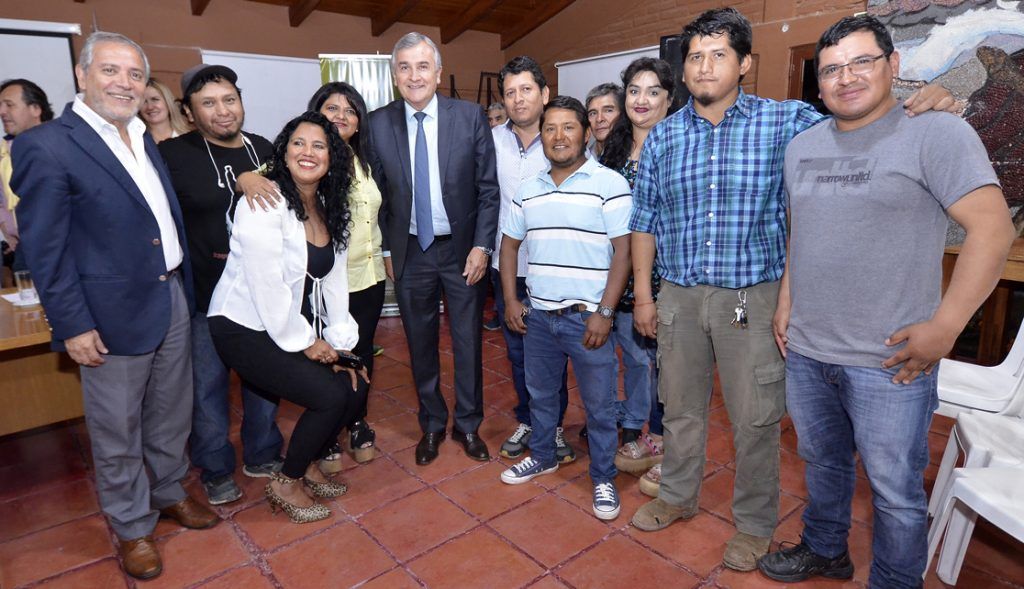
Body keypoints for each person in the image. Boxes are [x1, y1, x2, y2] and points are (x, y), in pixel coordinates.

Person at [628, 7, 958, 573]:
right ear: (683, 70)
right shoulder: (663, 137)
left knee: (754, 418)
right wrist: (643, 294)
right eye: (695, 56)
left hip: (749, 299)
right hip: (678, 296)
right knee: (679, 408)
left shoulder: (786, 121)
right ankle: (677, 495)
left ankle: (755, 525)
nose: (704, 66)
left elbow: (859, 110)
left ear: (744, 63)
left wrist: (930, 98)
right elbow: (645, 220)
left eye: (718, 54)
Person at [757, 16, 1014, 587]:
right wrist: (786, 301)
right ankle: (826, 548)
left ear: (893, 66)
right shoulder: (801, 147)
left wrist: (946, 327)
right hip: (808, 349)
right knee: (822, 463)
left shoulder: (936, 133)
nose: (846, 77)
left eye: (861, 62)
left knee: (895, 490)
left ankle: (896, 581)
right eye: (831, 69)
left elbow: (993, 230)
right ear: (819, 83)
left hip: (890, 359)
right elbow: (803, 232)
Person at [11, 32, 218, 580]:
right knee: (116, 428)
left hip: (170, 295)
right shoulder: (46, 146)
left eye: (135, 74)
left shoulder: (143, 138)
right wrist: (73, 324)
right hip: (107, 313)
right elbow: (46, 248)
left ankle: (169, 491)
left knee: (172, 410)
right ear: (82, 75)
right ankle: (131, 525)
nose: (124, 83)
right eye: (110, 70)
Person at [207, 111, 369, 525]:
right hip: (242, 325)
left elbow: (334, 282)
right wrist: (309, 343)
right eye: (298, 143)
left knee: (353, 382)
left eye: (319, 146)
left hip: (282, 323)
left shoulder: (328, 205)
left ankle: (307, 462)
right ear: (284, 151)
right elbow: (266, 285)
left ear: (332, 157)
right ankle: (286, 481)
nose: (307, 152)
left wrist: (342, 346)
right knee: (329, 395)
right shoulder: (265, 201)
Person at [366, 32, 499, 466]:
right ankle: (432, 424)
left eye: (423, 66)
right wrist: (387, 250)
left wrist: (482, 246)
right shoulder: (377, 123)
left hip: (463, 252)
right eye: (404, 67)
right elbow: (376, 195)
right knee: (419, 343)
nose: (414, 75)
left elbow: (488, 190)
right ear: (394, 75)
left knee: (468, 342)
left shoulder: (470, 116)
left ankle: (468, 425)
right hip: (410, 252)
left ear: (438, 73)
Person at [498, 95, 631, 520]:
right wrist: (511, 300)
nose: (559, 136)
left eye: (569, 127)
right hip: (539, 318)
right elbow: (509, 246)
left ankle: (604, 476)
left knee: (600, 406)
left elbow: (624, 252)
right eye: (550, 128)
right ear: (541, 137)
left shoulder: (609, 184)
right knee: (540, 396)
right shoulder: (528, 190)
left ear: (586, 134)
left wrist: (605, 313)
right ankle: (543, 455)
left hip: (587, 319)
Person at [158, 64, 284, 506]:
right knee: (207, 387)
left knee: (263, 380)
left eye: (229, 99)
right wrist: (241, 185)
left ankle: (263, 452)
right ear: (189, 113)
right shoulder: (173, 154)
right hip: (206, 299)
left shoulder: (263, 148)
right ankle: (214, 467)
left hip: (261, 293)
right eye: (208, 103)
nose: (223, 110)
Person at [491, 56, 574, 464]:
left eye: (526, 89)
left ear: (544, 93)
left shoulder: (563, 139)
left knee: (552, 355)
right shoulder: (491, 141)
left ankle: (553, 427)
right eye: (510, 92)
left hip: (552, 267)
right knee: (518, 353)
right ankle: (527, 419)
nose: (518, 98)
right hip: (506, 268)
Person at [599, 58, 673, 484]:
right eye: (634, 90)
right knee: (635, 360)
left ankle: (666, 441)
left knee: (668, 366)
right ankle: (644, 431)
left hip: (668, 277)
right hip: (620, 278)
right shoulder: (613, 149)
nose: (641, 100)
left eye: (653, 91)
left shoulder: (678, 144)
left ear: (669, 99)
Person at [0, 78, 53, 278]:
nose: (2, 112)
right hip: (24, 248)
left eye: (9, 105)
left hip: (60, 244)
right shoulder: (4, 152)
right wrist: (7, 230)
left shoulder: (60, 145)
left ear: (35, 109)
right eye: (1, 106)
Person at [140, 78, 189, 143]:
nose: (150, 107)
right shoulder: (136, 140)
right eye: (143, 101)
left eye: (155, 99)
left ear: (168, 102)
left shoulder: (189, 138)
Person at [585, 83, 622, 159]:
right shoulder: (583, 160)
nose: (599, 119)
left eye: (608, 110)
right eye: (593, 113)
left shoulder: (637, 156)